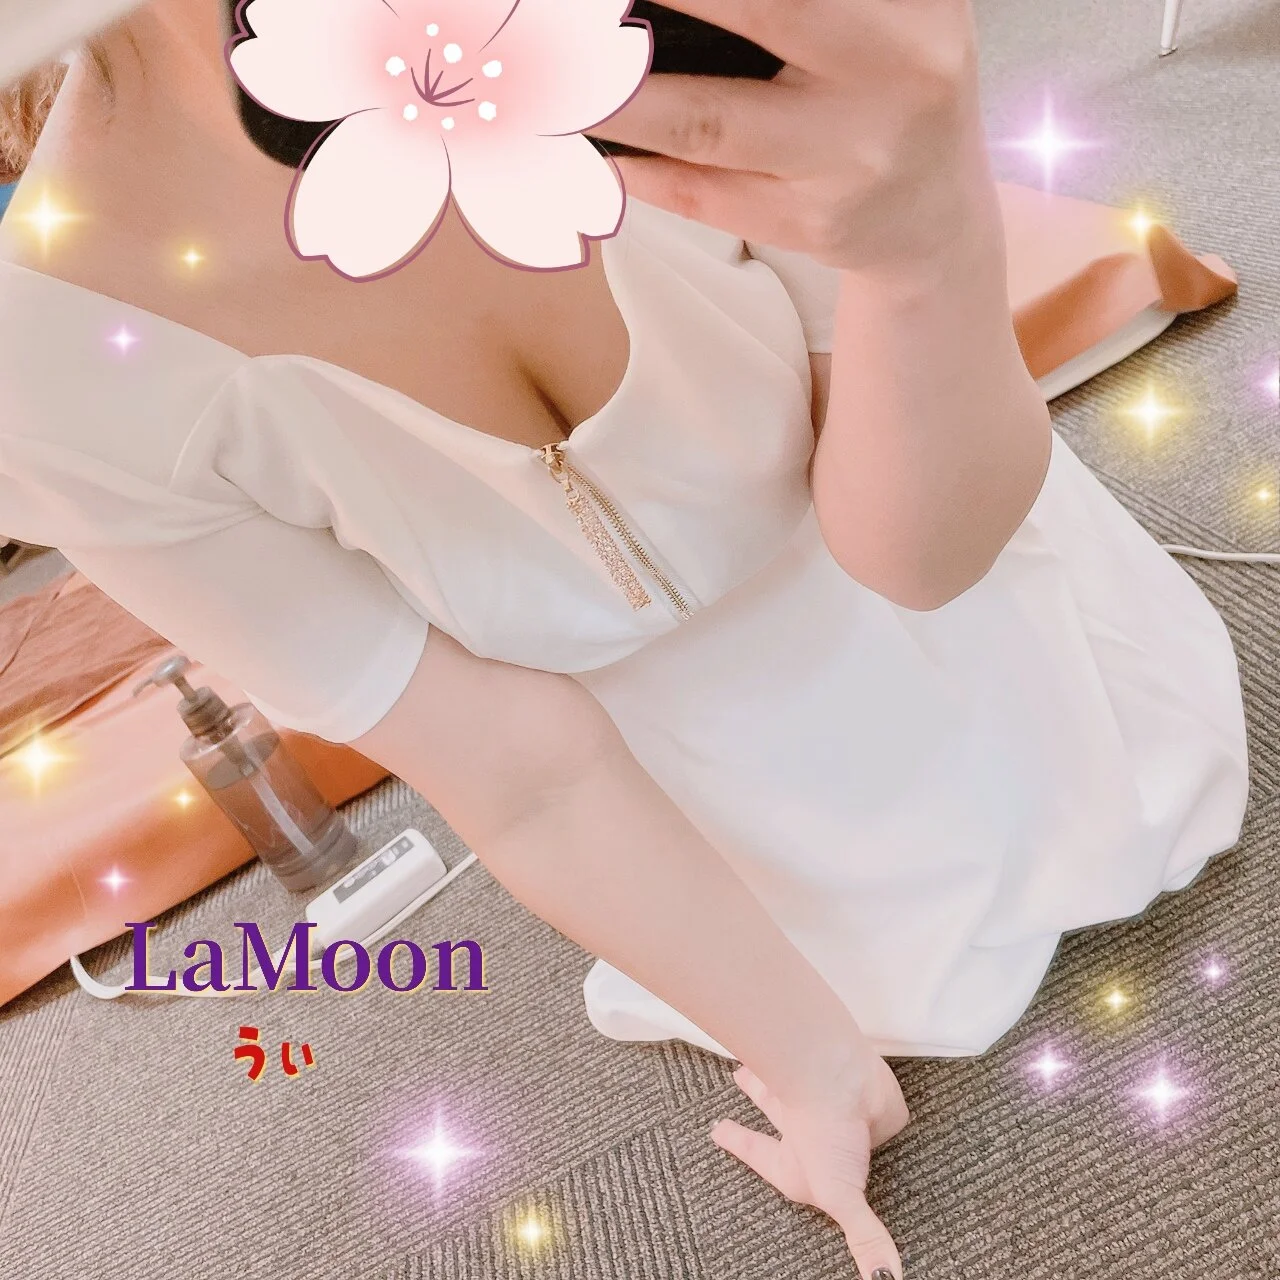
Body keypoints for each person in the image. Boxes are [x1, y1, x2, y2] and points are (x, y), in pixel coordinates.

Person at [0, 1, 1249, 1275]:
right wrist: (807, 1061)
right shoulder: (49, 372)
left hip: (1012, 622)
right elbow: (517, 767)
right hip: (717, 857)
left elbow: (918, 557)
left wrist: (926, 235)